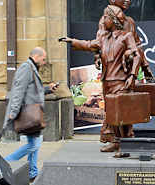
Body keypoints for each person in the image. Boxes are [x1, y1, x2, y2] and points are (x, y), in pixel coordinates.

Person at [60, 5, 141, 154]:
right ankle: (116, 142)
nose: (103, 20)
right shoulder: (104, 38)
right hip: (107, 82)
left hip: (120, 82)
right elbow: (89, 45)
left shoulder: (126, 36)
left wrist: (132, 76)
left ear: (114, 20)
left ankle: (126, 144)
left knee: (121, 113)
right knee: (111, 113)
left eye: (106, 17)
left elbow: (137, 55)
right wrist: (72, 41)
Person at [95, 0, 155, 152]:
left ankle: (127, 137)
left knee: (126, 105)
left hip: (126, 70)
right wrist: (97, 56)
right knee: (112, 106)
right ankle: (115, 139)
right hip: (111, 70)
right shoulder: (105, 19)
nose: (127, 1)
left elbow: (137, 47)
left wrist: (145, 67)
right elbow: (99, 41)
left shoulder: (129, 22)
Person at [3, 47, 59, 182]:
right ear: (36, 56)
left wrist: (48, 89)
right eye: (43, 59)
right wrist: (13, 112)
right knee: (33, 145)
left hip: (33, 114)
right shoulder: (26, 68)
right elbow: (18, 92)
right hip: (28, 115)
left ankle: (32, 172)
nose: (44, 62)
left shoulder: (31, 69)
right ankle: (5, 162)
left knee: (35, 142)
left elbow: (33, 91)